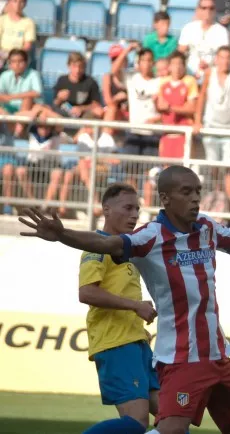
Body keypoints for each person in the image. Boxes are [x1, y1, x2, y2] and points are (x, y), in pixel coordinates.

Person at [18, 164, 230, 434]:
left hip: (218, 357)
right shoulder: (150, 236)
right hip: (182, 358)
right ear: (165, 198)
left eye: (197, 190)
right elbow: (107, 244)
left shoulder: (206, 228)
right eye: (186, 192)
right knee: (169, 429)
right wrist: (63, 235)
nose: (195, 197)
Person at [78, 183, 159, 434]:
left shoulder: (126, 251)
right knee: (136, 422)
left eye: (137, 208)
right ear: (106, 210)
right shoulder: (97, 246)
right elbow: (86, 292)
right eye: (128, 208)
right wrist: (136, 306)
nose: (135, 214)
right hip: (116, 343)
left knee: (173, 418)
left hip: (137, 343)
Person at [194, 45, 230, 203]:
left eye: (228, 57)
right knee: (213, 166)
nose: (225, 61)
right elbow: (201, 96)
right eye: (222, 57)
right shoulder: (209, 73)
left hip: (229, 127)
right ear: (216, 59)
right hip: (211, 125)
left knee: (229, 167)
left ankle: (228, 203)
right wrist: (197, 120)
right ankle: (217, 198)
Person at [178, 0, 230, 78]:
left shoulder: (222, 32)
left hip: (213, 74)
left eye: (211, 8)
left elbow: (224, 57)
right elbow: (180, 53)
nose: (208, 11)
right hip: (189, 73)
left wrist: (209, 65)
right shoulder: (188, 28)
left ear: (215, 10)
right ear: (198, 10)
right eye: (204, 8)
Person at [0, 48, 42, 136]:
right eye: (14, 61)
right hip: (8, 108)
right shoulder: (5, 75)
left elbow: (37, 93)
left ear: (26, 63)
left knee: (28, 99)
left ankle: (19, 129)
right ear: (9, 63)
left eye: (20, 61)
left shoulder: (33, 74)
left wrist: (12, 97)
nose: (17, 64)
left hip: (28, 108)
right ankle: (15, 129)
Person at [52, 52, 104, 120]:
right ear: (68, 66)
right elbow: (54, 104)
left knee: (98, 112)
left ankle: (85, 130)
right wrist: (59, 98)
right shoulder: (62, 80)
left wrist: (81, 108)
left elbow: (96, 105)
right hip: (63, 114)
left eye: (81, 66)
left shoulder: (91, 82)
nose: (77, 70)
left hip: (83, 115)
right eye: (74, 66)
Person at [0, 0, 35, 65]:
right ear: (9, 2)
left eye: (21, 2)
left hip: (18, 55)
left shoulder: (29, 22)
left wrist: (14, 56)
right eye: (15, 1)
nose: (18, 4)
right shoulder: (2, 20)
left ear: (25, 4)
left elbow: (27, 45)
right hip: (2, 53)